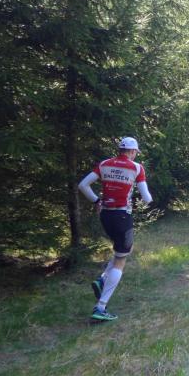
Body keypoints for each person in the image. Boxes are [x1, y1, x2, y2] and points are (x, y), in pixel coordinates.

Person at [78, 136, 153, 322]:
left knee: (122, 250)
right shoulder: (137, 168)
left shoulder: (104, 164)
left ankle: (102, 279)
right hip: (122, 216)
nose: (135, 155)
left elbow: (83, 185)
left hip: (105, 215)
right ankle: (101, 307)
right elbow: (146, 197)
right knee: (121, 259)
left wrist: (96, 201)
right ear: (132, 151)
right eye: (135, 152)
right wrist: (148, 201)